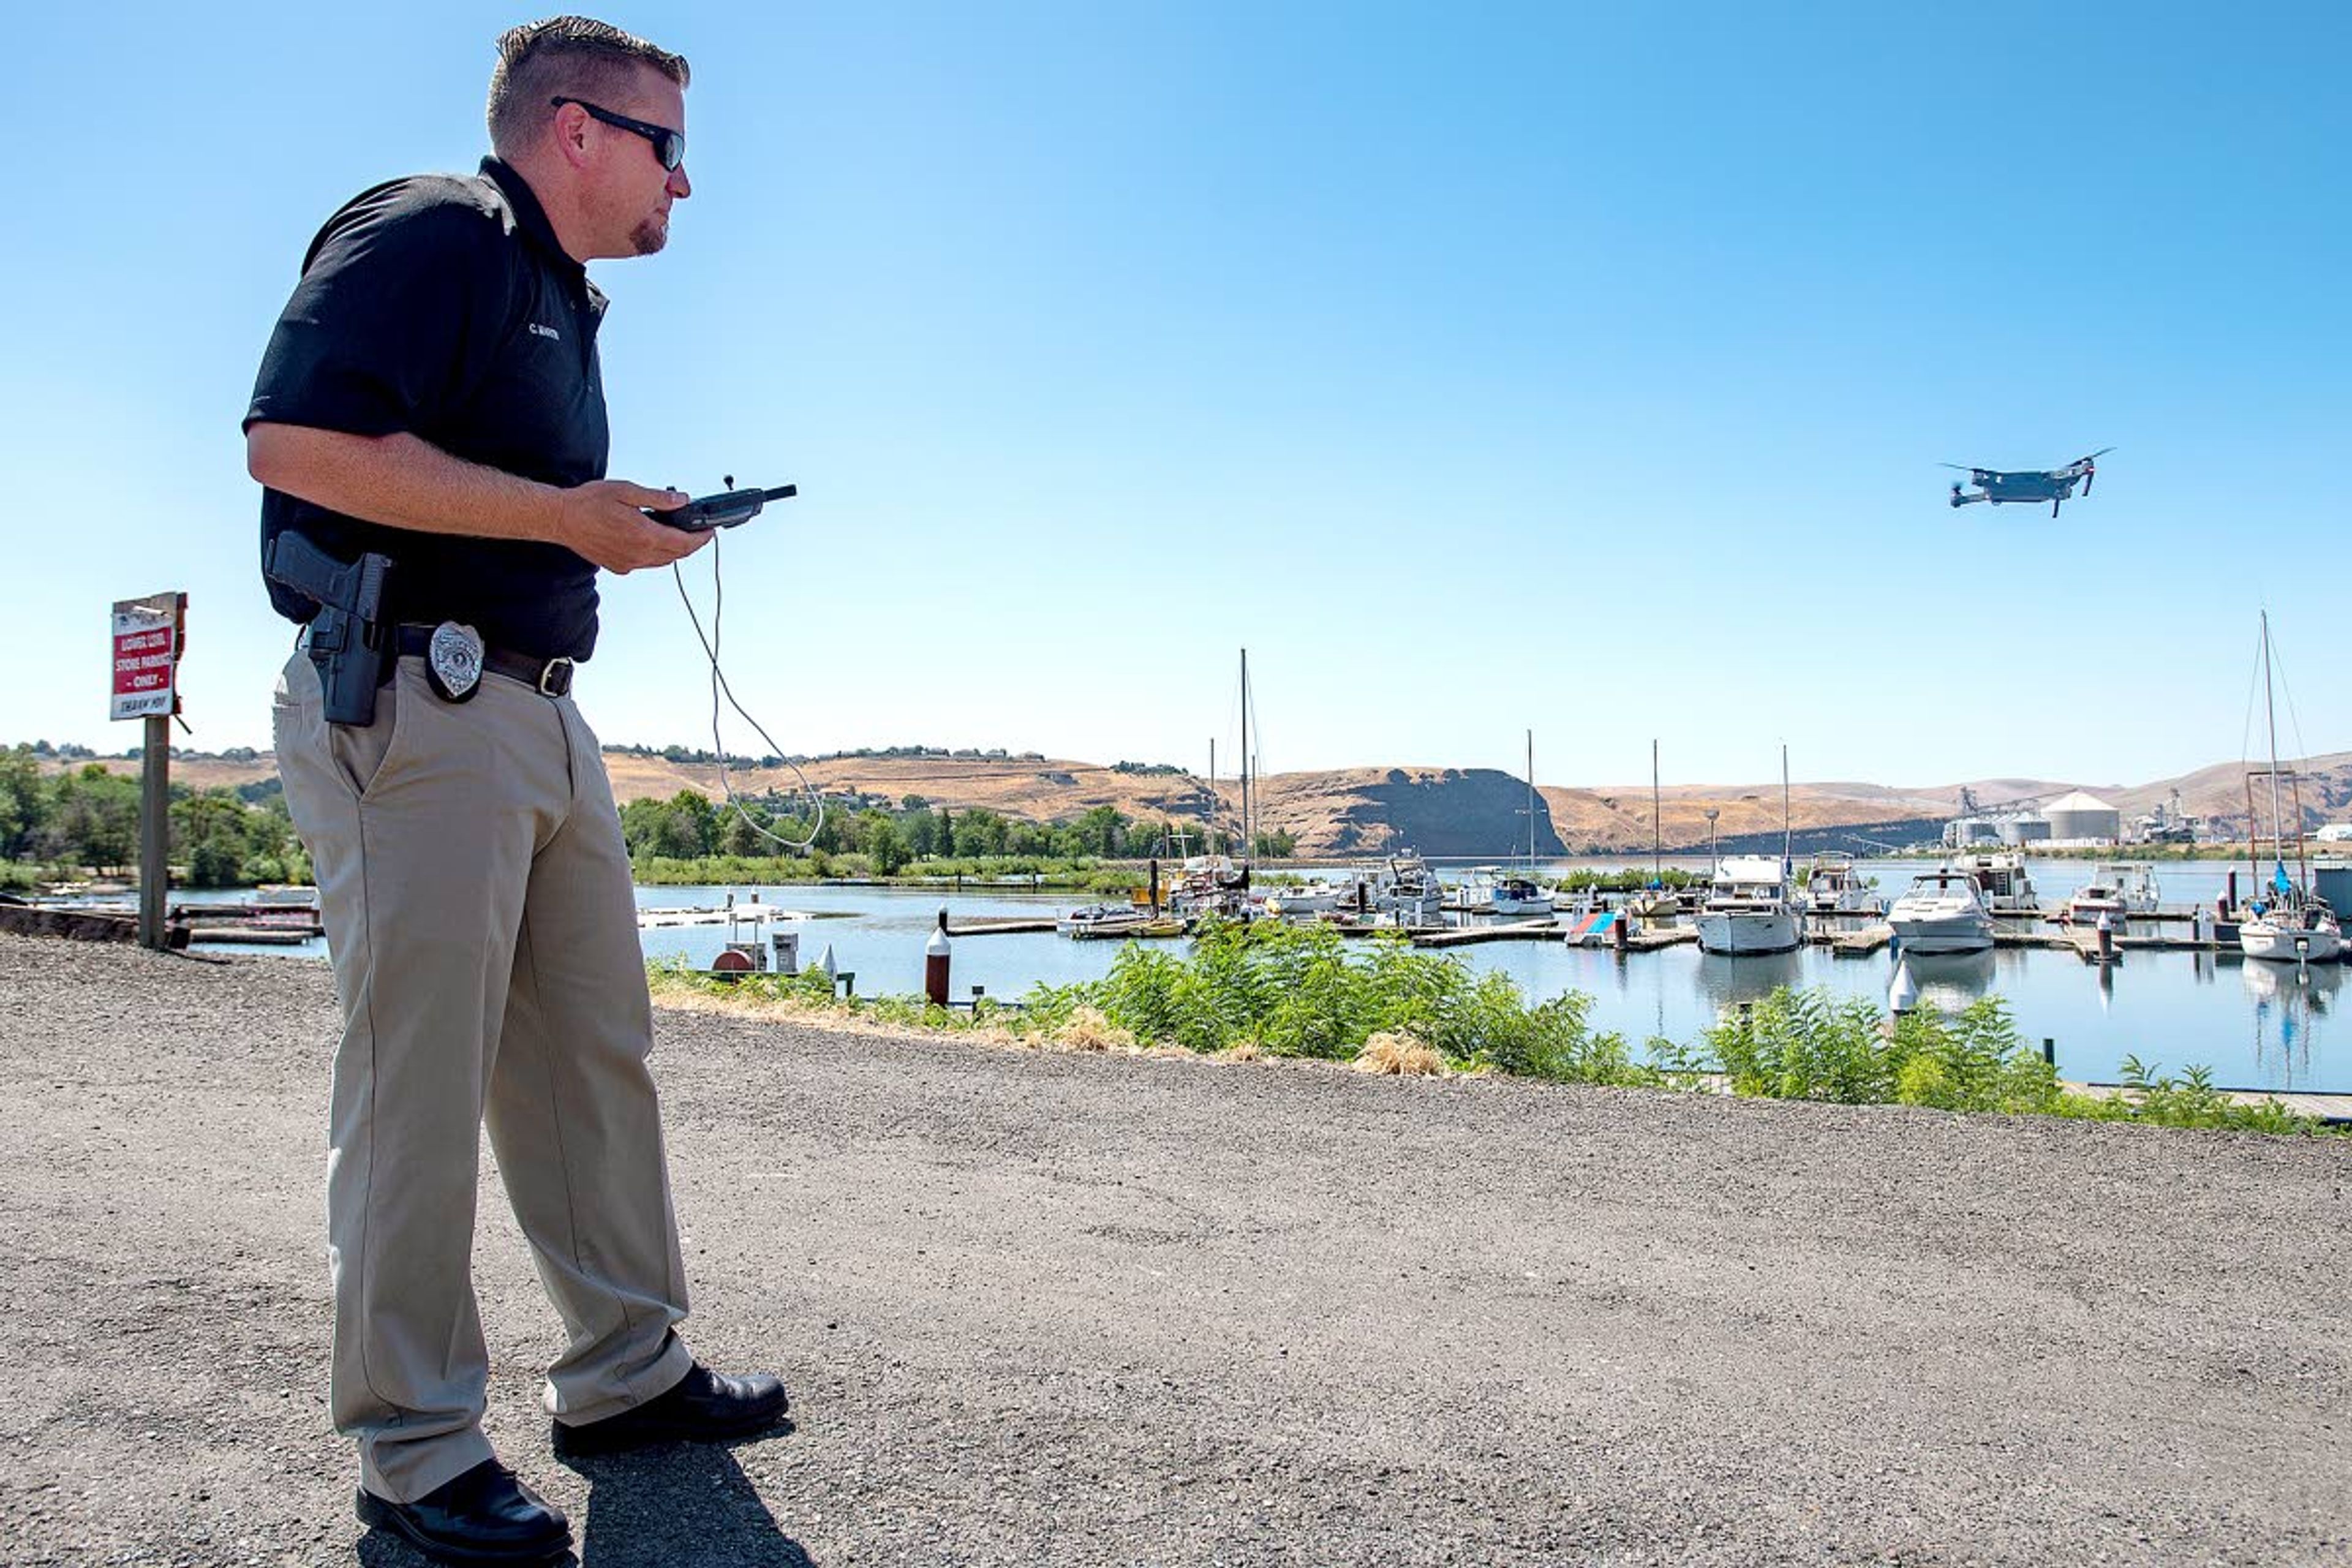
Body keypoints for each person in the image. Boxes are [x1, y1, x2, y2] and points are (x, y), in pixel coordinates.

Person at [245, 17, 786, 1563]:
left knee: (593, 1051)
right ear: (571, 129)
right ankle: (413, 1455)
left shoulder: (557, 295)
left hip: (539, 710)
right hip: (418, 699)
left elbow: (520, 504)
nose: (686, 179)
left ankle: (626, 1373)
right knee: (416, 1083)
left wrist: (597, 527)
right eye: (667, 144)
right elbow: (290, 439)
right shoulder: (431, 230)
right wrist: (565, 514)